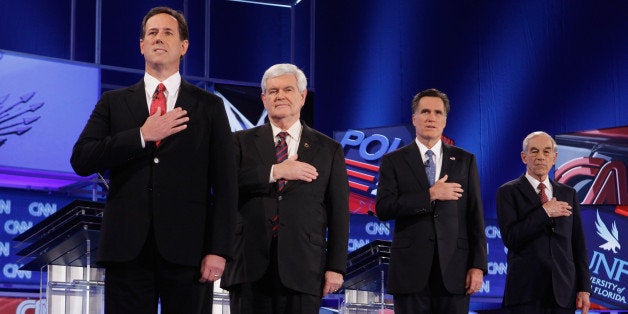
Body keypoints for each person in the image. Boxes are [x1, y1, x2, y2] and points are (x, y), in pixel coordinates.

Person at [70, 6, 237, 314]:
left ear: (183, 46)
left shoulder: (209, 107)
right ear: (142, 46)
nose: (159, 38)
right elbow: (81, 159)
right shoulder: (113, 102)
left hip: (189, 252)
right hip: (126, 251)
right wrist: (141, 135)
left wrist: (218, 250)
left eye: (168, 32)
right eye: (152, 33)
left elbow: (226, 186)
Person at [220, 63, 350, 314]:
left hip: (304, 267)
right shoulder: (239, 142)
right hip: (248, 264)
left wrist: (336, 267)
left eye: (288, 89)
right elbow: (224, 187)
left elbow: (338, 213)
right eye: (273, 91)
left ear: (302, 97)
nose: (280, 96)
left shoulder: (328, 149)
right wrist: (275, 171)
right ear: (263, 98)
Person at [375, 88, 487, 314]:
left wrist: (478, 266)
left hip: (455, 271)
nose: (431, 117)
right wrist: (430, 195)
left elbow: (475, 216)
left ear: (445, 120)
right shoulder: (393, 160)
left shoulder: (464, 160)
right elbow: (384, 208)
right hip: (410, 272)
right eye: (425, 111)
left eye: (438, 112)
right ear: (414, 118)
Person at [496, 131, 591, 314]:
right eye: (534, 151)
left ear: (554, 158)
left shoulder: (568, 193)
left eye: (546, 152)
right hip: (525, 294)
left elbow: (577, 243)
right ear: (524, 157)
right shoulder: (508, 192)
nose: (540, 157)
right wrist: (545, 212)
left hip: (563, 294)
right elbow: (511, 238)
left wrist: (584, 288)